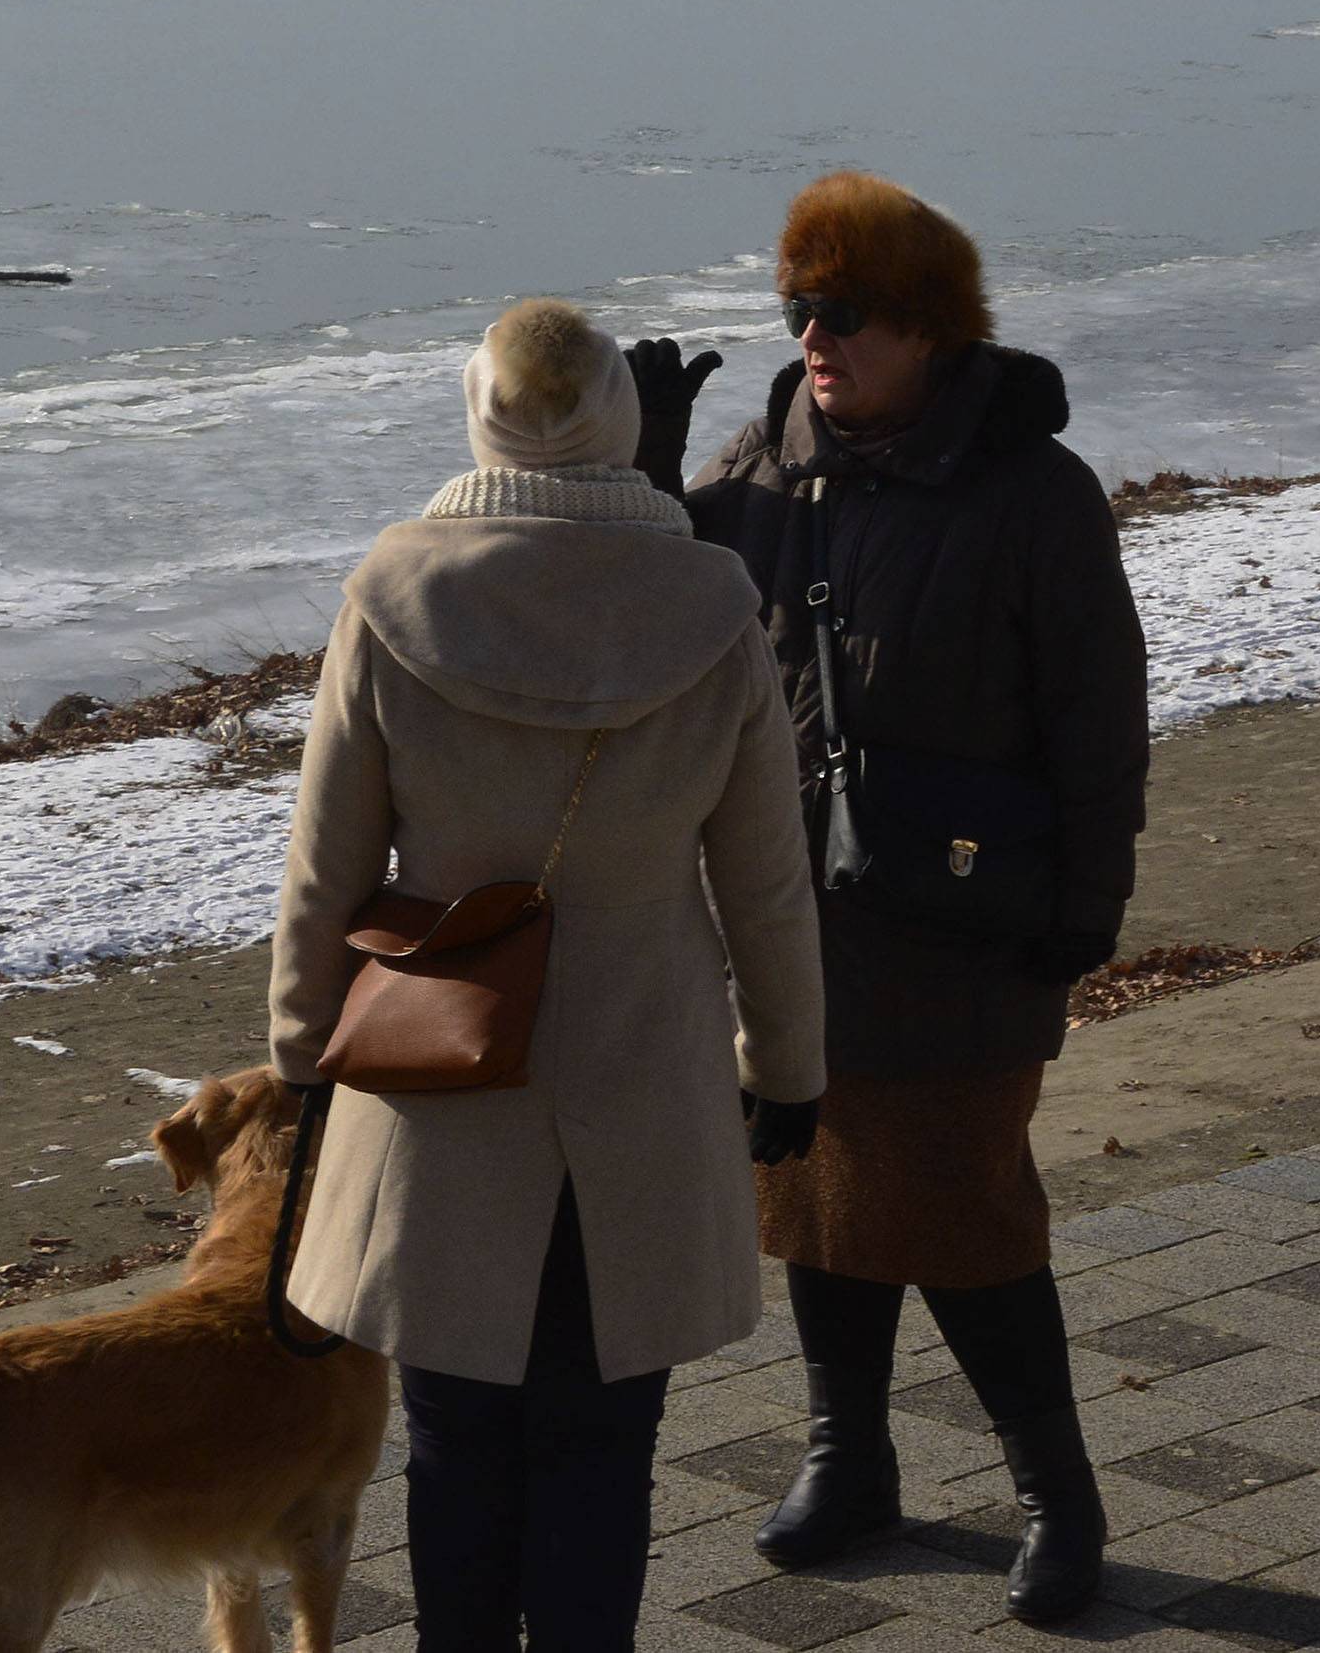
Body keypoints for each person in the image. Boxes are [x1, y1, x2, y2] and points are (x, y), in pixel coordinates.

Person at [631, 171, 1149, 1626]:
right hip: (794, 925)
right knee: (817, 1197)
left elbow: (1100, 721)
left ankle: (1058, 1490)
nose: (815, 334)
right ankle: (849, 1459)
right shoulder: (759, 465)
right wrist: (647, 485)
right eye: (799, 306)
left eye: (846, 310)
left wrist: (1087, 906)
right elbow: (646, 628)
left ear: (928, 325)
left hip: (972, 927)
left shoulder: (1031, 492)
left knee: (964, 1211)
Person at [269, 299, 825, 1653]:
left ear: (483, 411)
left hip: (437, 1070)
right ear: (623, 421)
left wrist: (298, 1055)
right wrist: (789, 1068)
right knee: (600, 1452)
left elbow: (324, 869)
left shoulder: (396, 589)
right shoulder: (708, 600)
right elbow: (765, 878)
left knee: (456, 1451)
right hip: (644, 1074)